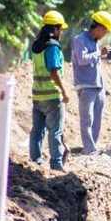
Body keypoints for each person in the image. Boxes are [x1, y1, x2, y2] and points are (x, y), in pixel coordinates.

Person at [29, 10, 71, 171]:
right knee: (55, 130)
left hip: (38, 95)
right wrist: (65, 92)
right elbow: (53, 71)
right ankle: (56, 163)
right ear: (55, 29)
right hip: (52, 96)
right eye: (60, 29)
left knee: (37, 130)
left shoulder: (36, 46)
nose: (61, 32)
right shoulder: (52, 47)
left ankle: (35, 160)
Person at [72, 11, 111, 155]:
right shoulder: (80, 40)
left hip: (97, 85)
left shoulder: (95, 42)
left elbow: (94, 60)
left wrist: (100, 54)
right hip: (86, 85)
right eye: (105, 31)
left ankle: (92, 147)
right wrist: (98, 54)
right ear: (99, 27)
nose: (105, 35)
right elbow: (82, 60)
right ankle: (89, 149)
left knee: (97, 118)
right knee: (87, 119)